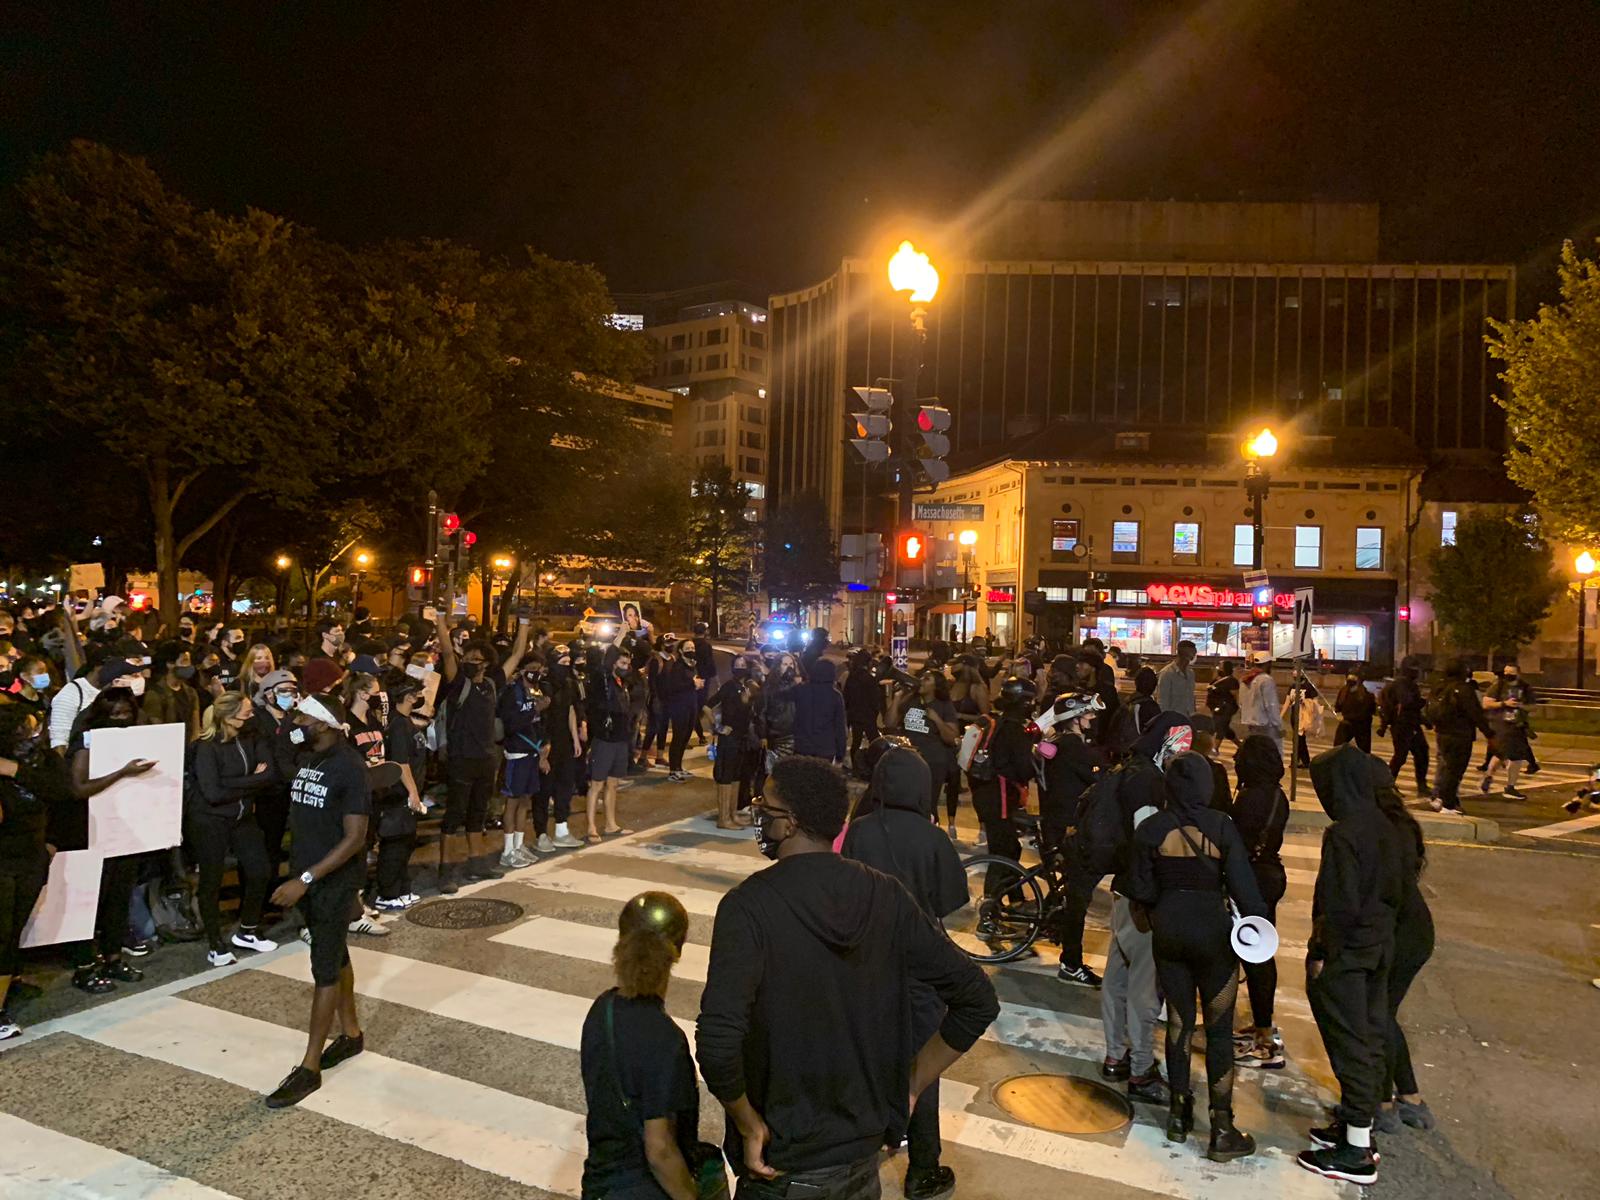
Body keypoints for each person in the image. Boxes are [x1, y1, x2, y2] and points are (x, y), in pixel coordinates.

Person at [695, 757, 999, 1200]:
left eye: (766, 807)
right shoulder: (886, 894)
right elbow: (977, 998)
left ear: (790, 823)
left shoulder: (748, 907)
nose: (759, 814)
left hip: (783, 1165)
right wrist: (911, 1085)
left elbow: (717, 1043)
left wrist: (747, 1124)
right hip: (862, 1158)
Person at [840, 742, 969, 1199]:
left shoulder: (860, 830)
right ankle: (923, 1168)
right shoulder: (932, 838)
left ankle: (868, 1145)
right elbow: (951, 901)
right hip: (919, 970)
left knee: (866, 1057)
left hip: (866, 964)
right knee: (922, 1066)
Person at [1128, 752, 1266, 1160]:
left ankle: (1178, 1113)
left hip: (1169, 933)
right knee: (1219, 1028)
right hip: (1213, 935)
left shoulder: (1151, 828)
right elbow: (1245, 889)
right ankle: (1221, 1126)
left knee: (1179, 1023)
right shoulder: (1221, 825)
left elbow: (1140, 888)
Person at [1296, 742, 1405, 1185]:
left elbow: (1338, 904)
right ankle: (1358, 1128)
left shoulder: (1344, 834)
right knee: (1369, 1034)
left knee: (1349, 1041)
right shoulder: (1386, 825)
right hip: (1380, 945)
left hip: (1349, 952)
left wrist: (1322, 954)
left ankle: (1356, 1150)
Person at [264, 693, 373, 1109]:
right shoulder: (311, 757)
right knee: (335, 953)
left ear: (324, 723)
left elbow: (355, 838)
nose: (296, 724)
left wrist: (306, 879)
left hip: (329, 882)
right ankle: (351, 1033)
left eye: (302, 719)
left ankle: (310, 1067)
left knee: (324, 969)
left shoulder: (349, 767)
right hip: (307, 878)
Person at [581, 892, 711, 1200]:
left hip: (600, 1184)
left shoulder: (602, 1009)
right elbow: (659, 1149)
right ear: (677, 950)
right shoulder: (666, 1039)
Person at [1100, 712, 1190, 1106]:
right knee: (1142, 988)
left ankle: (1114, 1056)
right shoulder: (1149, 780)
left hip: (1122, 889)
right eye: (1181, 742)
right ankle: (1140, 1069)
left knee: (1117, 977)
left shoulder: (1130, 768)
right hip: (1141, 896)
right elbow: (1146, 837)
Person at [64, 687, 159, 993]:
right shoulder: (86, 742)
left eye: (126, 713)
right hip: (90, 832)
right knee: (90, 902)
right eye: (115, 714)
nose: (121, 719)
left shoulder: (135, 739)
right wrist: (122, 773)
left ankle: (113, 958)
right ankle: (84, 966)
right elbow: (79, 788)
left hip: (124, 832)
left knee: (118, 900)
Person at [434, 608, 531, 890]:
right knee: (454, 815)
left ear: (487, 664)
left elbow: (517, 654)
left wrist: (524, 622)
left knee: (478, 812)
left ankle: (476, 863)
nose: (469, 662)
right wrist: (440, 619)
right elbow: (447, 653)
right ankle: (446, 870)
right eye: (467, 658)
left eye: (476, 659)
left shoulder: (491, 683)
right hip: (461, 758)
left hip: (486, 758)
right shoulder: (458, 683)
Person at [187, 690, 278, 966]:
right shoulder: (206, 746)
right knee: (211, 881)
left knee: (260, 870)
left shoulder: (252, 737)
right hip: (209, 821)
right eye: (246, 713)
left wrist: (232, 782)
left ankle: (248, 930)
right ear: (228, 717)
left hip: (242, 817)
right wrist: (251, 781)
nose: (251, 717)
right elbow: (212, 793)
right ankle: (215, 944)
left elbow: (269, 775)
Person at [1229, 735, 1291, 1071]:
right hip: (1270, 874)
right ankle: (1262, 1024)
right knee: (1260, 955)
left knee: (1255, 958)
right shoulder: (1276, 794)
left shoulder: (1252, 797)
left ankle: (1266, 1041)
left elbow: (1237, 841)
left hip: (1252, 880)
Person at [0, 706, 63, 1039]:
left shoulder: (36, 763)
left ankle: (8, 989)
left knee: (14, 931)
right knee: (1, 935)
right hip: (4, 860)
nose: (35, 735)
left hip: (30, 858)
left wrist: (15, 770)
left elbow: (60, 792)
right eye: (28, 730)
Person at [1036, 692, 1107, 987]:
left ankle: (1051, 920)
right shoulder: (1074, 748)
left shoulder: (1056, 743)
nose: (1092, 718)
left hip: (1055, 824)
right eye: (1087, 714)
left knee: (1069, 887)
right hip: (1068, 830)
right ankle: (1071, 963)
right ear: (1075, 719)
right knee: (1078, 898)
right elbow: (1099, 778)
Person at [968, 677, 1036, 883]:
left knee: (1007, 849)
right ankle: (992, 897)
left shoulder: (996, 722)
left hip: (986, 794)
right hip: (1001, 797)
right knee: (1004, 853)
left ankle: (1012, 896)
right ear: (1023, 702)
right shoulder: (1014, 730)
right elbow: (1024, 769)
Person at [371, 679, 428, 911]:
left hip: (407, 792)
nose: (420, 697)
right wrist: (412, 792)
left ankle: (402, 888)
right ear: (408, 696)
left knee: (406, 841)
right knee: (395, 842)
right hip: (399, 794)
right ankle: (387, 893)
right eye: (417, 693)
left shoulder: (405, 721)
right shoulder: (398, 725)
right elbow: (401, 763)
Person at [497, 654, 551, 868]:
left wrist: (544, 747)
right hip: (517, 752)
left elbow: (540, 723)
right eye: (532, 668)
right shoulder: (512, 692)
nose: (537, 672)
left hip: (532, 751)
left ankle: (519, 846)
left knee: (525, 800)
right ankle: (508, 850)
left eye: (540, 668)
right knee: (512, 801)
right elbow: (510, 724)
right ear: (522, 670)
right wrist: (535, 710)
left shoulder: (537, 690)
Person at [535, 647, 585, 852]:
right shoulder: (543, 685)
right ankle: (541, 834)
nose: (566, 667)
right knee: (544, 789)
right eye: (562, 663)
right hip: (546, 742)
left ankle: (562, 830)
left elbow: (571, 710)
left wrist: (575, 739)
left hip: (564, 741)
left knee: (564, 786)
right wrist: (542, 748)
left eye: (568, 663)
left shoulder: (569, 684)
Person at [1426, 659, 1492, 814]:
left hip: (1442, 732)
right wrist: (1489, 733)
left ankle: (1441, 798)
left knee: (1445, 767)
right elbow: (1475, 713)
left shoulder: (1439, 687)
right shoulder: (1463, 689)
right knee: (1454, 770)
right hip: (1460, 734)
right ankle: (1447, 804)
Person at [585, 644, 636, 844]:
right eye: (622, 663)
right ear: (613, 663)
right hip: (605, 739)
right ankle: (591, 827)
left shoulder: (622, 683)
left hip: (620, 739)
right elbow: (606, 661)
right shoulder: (604, 680)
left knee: (613, 784)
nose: (626, 667)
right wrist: (621, 633)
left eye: (627, 664)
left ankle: (611, 824)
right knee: (597, 784)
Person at [893, 670, 960, 819]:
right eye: (922, 677)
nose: (921, 680)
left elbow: (952, 738)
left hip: (932, 762)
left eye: (927, 679)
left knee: (927, 805)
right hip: (908, 758)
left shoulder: (944, 705)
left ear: (936, 686)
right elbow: (890, 722)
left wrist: (937, 720)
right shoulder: (911, 699)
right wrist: (897, 697)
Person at [706, 664, 761, 830]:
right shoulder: (729, 687)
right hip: (729, 739)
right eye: (738, 665)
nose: (741, 668)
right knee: (726, 775)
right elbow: (707, 706)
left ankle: (732, 814)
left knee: (736, 775)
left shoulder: (747, 688)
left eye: (743, 665)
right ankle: (723, 818)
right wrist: (718, 727)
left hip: (741, 738)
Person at [1481, 663, 1538, 800]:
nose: (1507, 676)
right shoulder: (1498, 685)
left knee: (1503, 754)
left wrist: (1521, 706)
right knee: (1511, 755)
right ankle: (1509, 787)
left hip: (1516, 725)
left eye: (1511, 673)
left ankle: (1489, 776)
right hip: (1500, 724)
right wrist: (1504, 703)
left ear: (1518, 674)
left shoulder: (1525, 687)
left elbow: (1533, 706)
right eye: (1505, 673)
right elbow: (1486, 703)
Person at [1378, 658, 1430, 796]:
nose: (1418, 672)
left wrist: (1425, 721)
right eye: (1415, 669)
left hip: (1411, 724)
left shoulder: (1408, 684)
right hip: (1402, 725)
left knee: (1421, 753)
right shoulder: (1402, 684)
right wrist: (1423, 702)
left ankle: (1422, 785)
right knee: (1401, 756)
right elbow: (1407, 703)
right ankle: (1388, 785)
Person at [791, 657, 846, 764]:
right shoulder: (835, 696)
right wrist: (840, 753)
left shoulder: (801, 690)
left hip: (803, 745)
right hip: (826, 747)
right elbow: (839, 726)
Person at [143, 640, 202, 739]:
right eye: (184, 661)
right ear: (170, 664)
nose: (189, 665)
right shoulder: (155, 694)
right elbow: (158, 731)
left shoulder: (191, 692)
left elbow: (195, 728)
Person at [842, 649, 884, 768]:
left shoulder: (852, 677)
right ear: (868, 662)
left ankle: (856, 766)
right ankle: (875, 765)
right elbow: (874, 699)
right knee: (875, 741)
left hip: (855, 715)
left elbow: (846, 697)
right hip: (868, 715)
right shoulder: (870, 679)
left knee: (856, 742)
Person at [1106, 667, 1161, 755]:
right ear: (1155, 686)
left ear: (1136, 683)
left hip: (1120, 751)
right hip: (1137, 755)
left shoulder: (1127, 702)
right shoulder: (1151, 707)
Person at [1237, 654, 1281, 744]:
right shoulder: (1266, 680)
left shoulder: (1245, 679)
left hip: (1249, 721)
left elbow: (1241, 701)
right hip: (1264, 722)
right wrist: (1277, 723)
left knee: (1254, 746)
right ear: (1267, 664)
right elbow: (1270, 704)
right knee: (1266, 747)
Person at [1281, 678, 1323, 769]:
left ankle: (1297, 761)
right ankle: (1304, 761)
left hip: (1304, 717)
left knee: (1298, 739)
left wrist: (1310, 708)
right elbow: (1287, 702)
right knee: (1299, 739)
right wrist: (1280, 716)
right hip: (1294, 716)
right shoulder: (1293, 686)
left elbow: (1315, 702)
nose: (1294, 672)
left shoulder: (1308, 686)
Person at [1333, 672, 1377, 753]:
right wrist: (1338, 712)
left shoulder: (1366, 694)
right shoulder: (1344, 692)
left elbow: (1369, 711)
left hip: (1361, 725)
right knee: (1338, 748)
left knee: (1364, 750)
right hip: (1348, 724)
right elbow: (1338, 706)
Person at [1156, 641, 1198, 715]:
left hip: (1188, 718)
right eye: (1193, 654)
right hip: (1173, 718)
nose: (1194, 657)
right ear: (1184, 655)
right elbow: (1162, 701)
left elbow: (1191, 697)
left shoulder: (1190, 674)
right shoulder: (1167, 674)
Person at [1205, 660, 1242, 747]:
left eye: (1220, 667)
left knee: (1220, 726)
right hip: (1216, 707)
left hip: (1225, 708)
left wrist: (1238, 707)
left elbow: (1235, 695)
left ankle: (1215, 748)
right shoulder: (1217, 679)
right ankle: (1240, 745)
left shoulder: (1231, 681)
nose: (1218, 668)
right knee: (1225, 728)